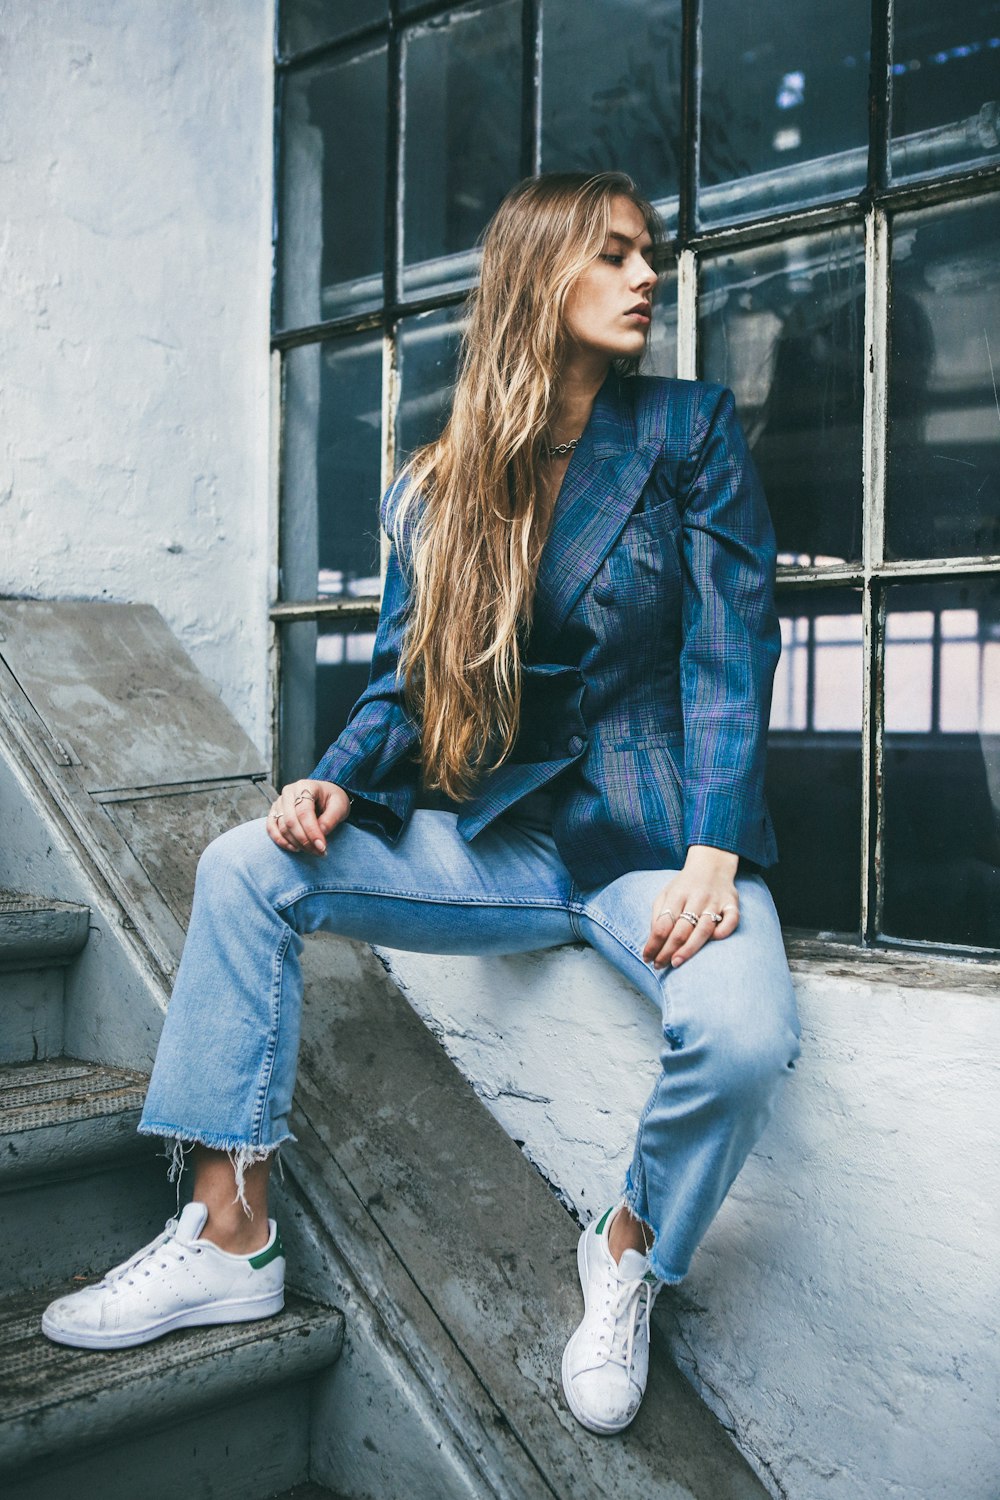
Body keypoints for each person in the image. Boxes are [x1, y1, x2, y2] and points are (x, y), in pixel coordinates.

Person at [41, 172, 800, 1436]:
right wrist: (339, 776)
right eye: (612, 254)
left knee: (737, 1039)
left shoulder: (687, 432)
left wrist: (717, 847)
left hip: (663, 850)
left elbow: (731, 649)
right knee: (245, 868)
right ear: (537, 272)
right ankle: (229, 1236)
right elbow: (403, 680)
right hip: (503, 848)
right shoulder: (438, 484)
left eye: (644, 255)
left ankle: (624, 1252)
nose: (644, 276)